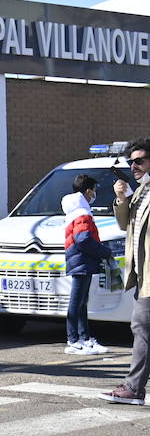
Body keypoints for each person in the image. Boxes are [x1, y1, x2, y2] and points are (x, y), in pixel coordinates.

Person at [104, 138, 150, 405]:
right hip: (141, 275)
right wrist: (121, 198)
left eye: (140, 160)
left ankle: (134, 388)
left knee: (141, 327)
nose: (134, 166)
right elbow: (125, 225)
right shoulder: (141, 191)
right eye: (131, 161)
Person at [62, 174, 112, 355]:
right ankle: (74, 341)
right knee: (77, 302)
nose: (95, 195)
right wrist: (103, 251)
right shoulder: (83, 213)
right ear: (89, 192)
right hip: (82, 261)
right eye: (94, 192)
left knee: (81, 302)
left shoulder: (76, 211)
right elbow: (82, 239)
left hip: (80, 261)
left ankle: (85, 339)